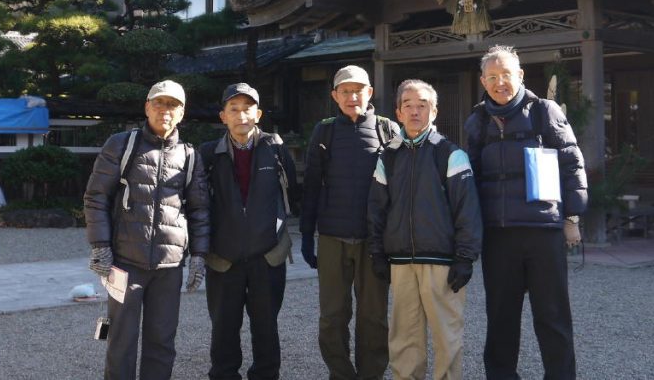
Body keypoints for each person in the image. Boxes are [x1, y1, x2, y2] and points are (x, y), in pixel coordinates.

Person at [464, 45, 587, 380]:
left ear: (519, 75)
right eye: (492, 77)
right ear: (482, 81)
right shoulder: (477, 121)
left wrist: (572, 218)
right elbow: (470, 179)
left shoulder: (544, 112)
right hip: (498, 234)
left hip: (542, 231)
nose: (499, 82)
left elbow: (572, 164)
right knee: (500, 317)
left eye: (506, 74)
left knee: (552, 315)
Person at [83, 79, 210, 380]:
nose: (165, 110)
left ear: (182, 113)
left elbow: (199, 209)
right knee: (121, 340)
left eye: (173, 105)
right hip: (125, 262)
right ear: (147, 107)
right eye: (159, 103)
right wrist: (100, 245)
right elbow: (96, 196)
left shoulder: (189, 155)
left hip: (169, 266)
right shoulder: (121, 144)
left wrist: (199, 255)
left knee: (162, 341)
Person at [367, 79, 482, 380]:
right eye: (408, 105)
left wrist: (465, 257)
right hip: (400, 262)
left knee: (447, 336)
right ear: (398, 112)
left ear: (435, 111)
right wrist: (377, 252)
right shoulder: (388, 156)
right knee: (404, 338)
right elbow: (377, 209)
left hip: (442, 262)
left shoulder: (450, 154)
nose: (415, 111)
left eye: (423, 105)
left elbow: (467, 211)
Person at [300, 65, 396, 380]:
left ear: (370, 93)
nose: (352, 96)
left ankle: (371, 374)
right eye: (345, 91)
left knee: (374, 316)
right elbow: (311, 185)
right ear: (335, 96)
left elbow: (399, 187)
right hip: (332, 237)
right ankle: (340, 374)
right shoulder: (324, 131)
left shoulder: (387, 129)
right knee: (332, 316)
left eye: (358, 90)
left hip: (373, 239)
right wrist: (306, 234)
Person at [200, 83, 297, 380]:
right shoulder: (208, 154)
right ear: (223, 116)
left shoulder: (275, 149)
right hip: (223, 256)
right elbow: (197, 203)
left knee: (266, 325)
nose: (241, 115)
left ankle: (265, 375)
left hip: (267, 254)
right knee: (223, 326)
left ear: (259, 114)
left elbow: (292, 192)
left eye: (247, 109)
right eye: (234, 109)